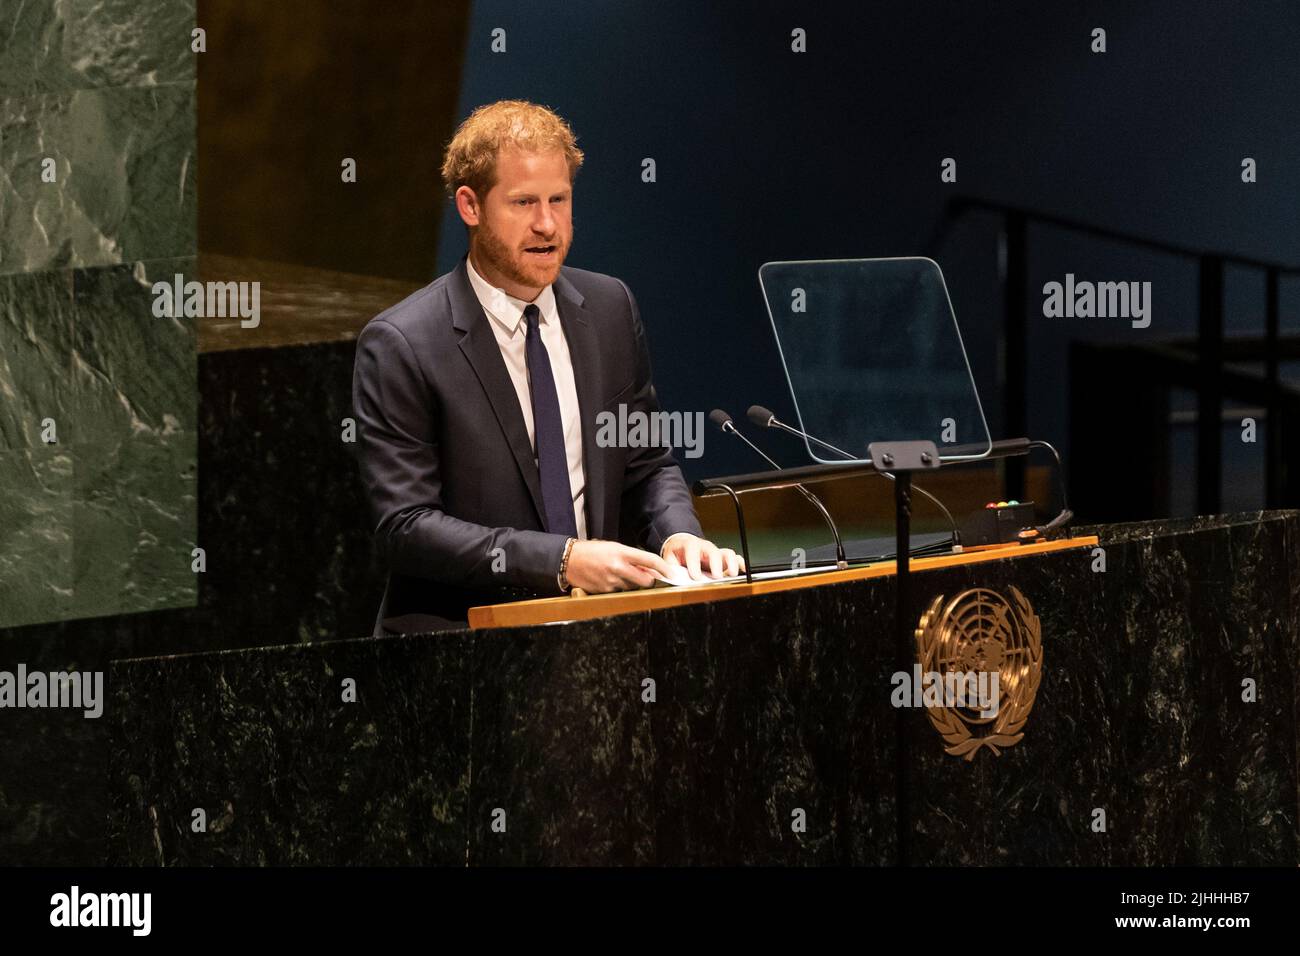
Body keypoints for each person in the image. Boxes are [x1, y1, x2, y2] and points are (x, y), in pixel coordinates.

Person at [352, 100, 742, 634]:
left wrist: (677, 535)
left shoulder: (609, 308)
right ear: (470, 206)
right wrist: (562, 560)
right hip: (460, 647)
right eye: (523, 202)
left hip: (600, 636)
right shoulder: (402, 342)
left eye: (559, 199)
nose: (547, 224)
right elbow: (407, 527)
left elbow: (647, 462)